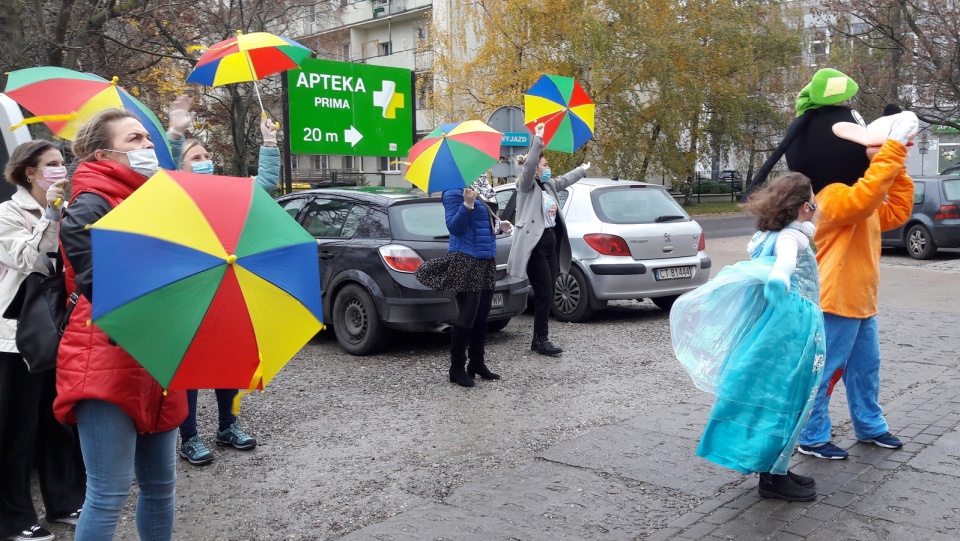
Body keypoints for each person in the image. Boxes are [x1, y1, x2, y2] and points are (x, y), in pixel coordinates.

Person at [741, 69, 915, 460]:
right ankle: (813, 435)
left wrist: (896, 167)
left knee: (865, 371)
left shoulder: (857, 197)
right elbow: (864, 200)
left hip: (861, 301)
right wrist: (892, 152)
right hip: (833, 299)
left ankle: (870, 425)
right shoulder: (830, 197)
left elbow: (895, 212)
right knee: (824, 371)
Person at [53, 108, 188, 541]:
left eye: (149, 139)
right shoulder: (90, 204)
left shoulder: (154, 199)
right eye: (134, 140)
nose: (148, 147)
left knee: (161, 487)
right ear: (102, 153)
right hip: (106, 356)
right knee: (109, 492)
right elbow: (104, 285)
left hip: (156, 354)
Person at [672, 173, 825, 502]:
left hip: (773, 327)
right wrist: (780, 279)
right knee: (790, 396)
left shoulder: (765, 235)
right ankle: (773, 477)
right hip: (791, 331)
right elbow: (784, 263)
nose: (817, 206)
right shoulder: (791, 238)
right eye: (814, 200)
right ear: (803, 207)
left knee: (770, 395)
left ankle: (776, 468)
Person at [165, 95, 274, 465]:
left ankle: (228, 425)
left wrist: (270, 143)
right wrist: (176, 135)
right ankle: (189, 436)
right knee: (191, 365)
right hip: (187, 289)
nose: (204, 161)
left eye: (207, 156)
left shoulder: (227, 190)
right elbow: (161, 169)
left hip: (225, 286)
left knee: (228, 356)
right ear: (180, 166)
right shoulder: (173, 194)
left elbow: (266, 185)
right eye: (195, 158)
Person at [1, 141, 85, 541]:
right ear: (29, 172)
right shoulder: (6, 214)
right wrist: (50, 216)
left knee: (59, 419)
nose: (60, 169)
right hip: (17, 337)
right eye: (50, 164)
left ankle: (65, 499)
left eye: (62, 162)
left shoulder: (68, 210)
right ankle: (14, 517)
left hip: (61, 329)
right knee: (17, 429)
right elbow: (30, 260)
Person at [506, 123, 590, 355]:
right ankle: (540, 340)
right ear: (534, 169)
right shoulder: (526, 186)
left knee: (549, 293)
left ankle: (539, 338)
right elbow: (530, 163)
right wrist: (538, 139)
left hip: (551, 243)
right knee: (543, 294)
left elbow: (564, 180)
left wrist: (582, 169)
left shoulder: (548, 185)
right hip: (535, 246)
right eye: (545, 164)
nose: (548, 167)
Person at [422, 186, 512, 387]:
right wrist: (467, 204)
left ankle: (477, 364)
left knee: (482, 316)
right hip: (465, 258)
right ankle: (456, 368)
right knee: (467, 317)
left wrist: (498, 227)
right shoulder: (453, 192)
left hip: (486, 258)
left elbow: (480, 223)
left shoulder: (482, 187)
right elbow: (454, 228)